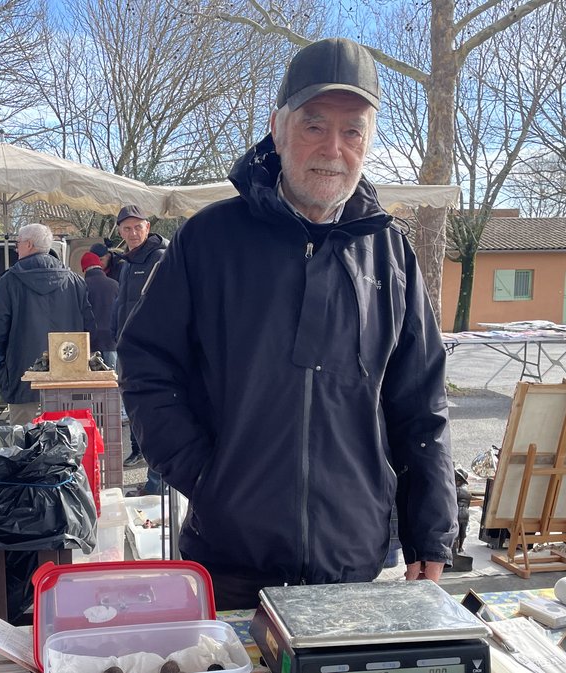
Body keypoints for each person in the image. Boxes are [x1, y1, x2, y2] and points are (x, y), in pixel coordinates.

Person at [117, 37, 457, 609]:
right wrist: (204, 475)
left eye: (353, 131)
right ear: (278, 128)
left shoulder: (392, 257)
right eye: (314, 125)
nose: (333, 147)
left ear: (369, 142)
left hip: (353, 568)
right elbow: (146, 362)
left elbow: (421, 404)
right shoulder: (210, 240)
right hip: (228, 564)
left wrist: (430, 526)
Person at [0, 223, 94, 426]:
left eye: (17, 244)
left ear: (28, 244)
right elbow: (88, 328)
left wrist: (6, 357)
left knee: (24, 439)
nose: (16, 249)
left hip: (23, 372)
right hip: (67, 372)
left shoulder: (9, 281)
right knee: (66, 438)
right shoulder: (75, 281)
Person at [110, 205, 169, 499]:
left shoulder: (159, 257)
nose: (132, 234)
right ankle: (155, 484)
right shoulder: (127, 263)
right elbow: (122, 303)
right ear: (120, 232)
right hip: (128, 350)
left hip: (152, 353)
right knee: (139, 417)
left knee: (154, 418)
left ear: (148, 227)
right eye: (126, 229)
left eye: (137, 227)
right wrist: (114, 333)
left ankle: (158, 488)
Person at [81, 251, 120, 370]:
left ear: (84, 269)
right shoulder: (114, 285)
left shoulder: (82, 286)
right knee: (113, 380)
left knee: (94, 383)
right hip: (111, 340)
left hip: (90, 342)